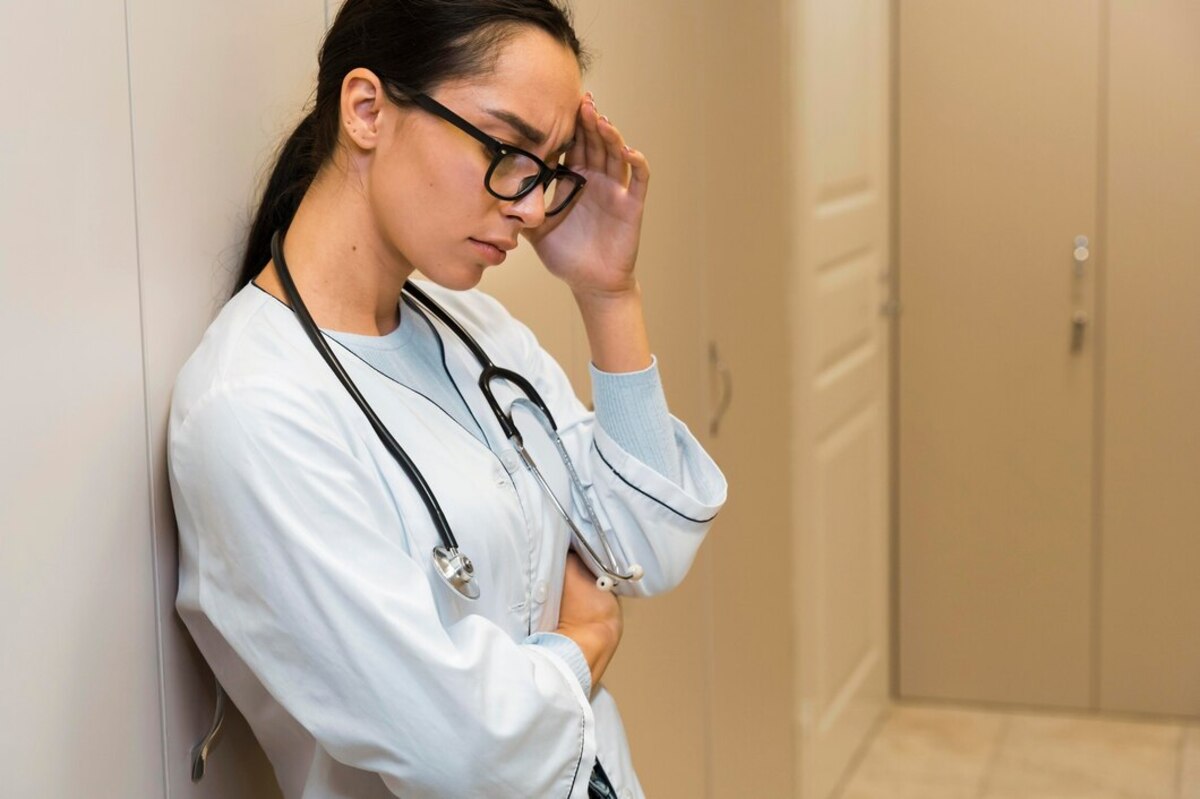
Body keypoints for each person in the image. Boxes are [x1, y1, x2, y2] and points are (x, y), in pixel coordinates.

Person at [168, 1, 727, 796]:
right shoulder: (253, 410)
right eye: (507, 151)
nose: (533, 206)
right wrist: (583, 642)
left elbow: (646, 545)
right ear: (367, 110)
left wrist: (609, 294)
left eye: (549, 168)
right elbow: (465, 750)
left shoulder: (476, 331)